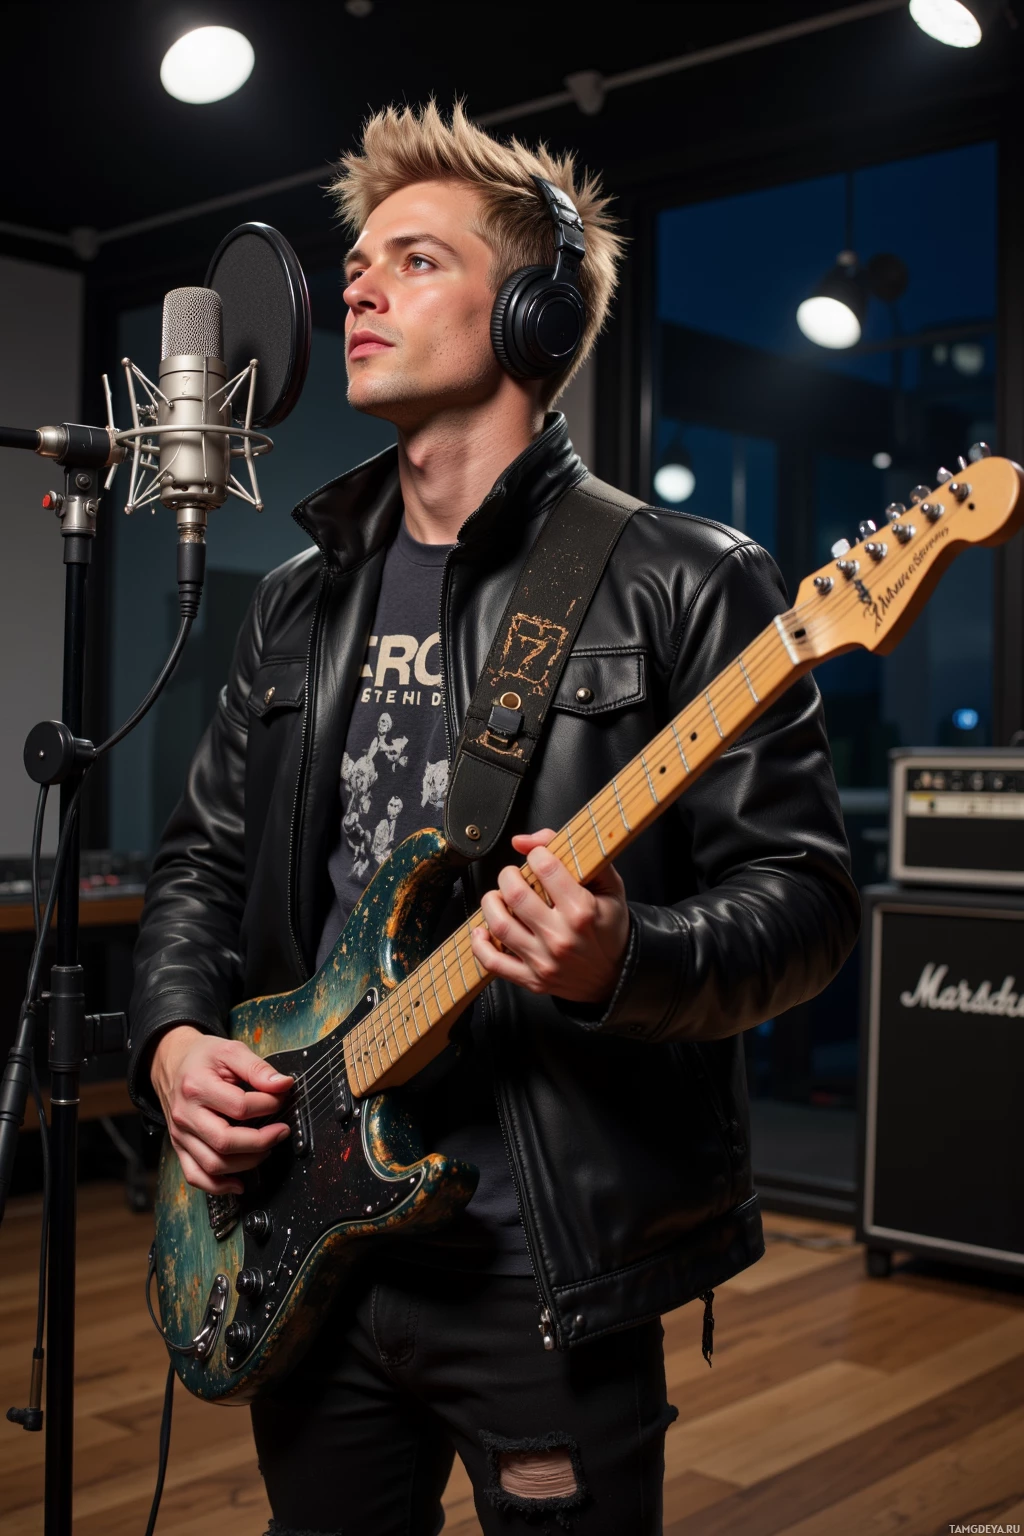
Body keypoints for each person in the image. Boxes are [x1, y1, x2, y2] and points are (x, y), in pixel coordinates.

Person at [127, 101, 859, 1536]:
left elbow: (810, 905)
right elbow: (202, 862)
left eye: (414, 259)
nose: (359, 286)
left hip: (545, 1264)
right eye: (358, 263)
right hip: (301, 1226)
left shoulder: (686, 584)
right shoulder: (299, 598)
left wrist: (620, 956)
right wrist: (170, 1042)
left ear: (530, 316)